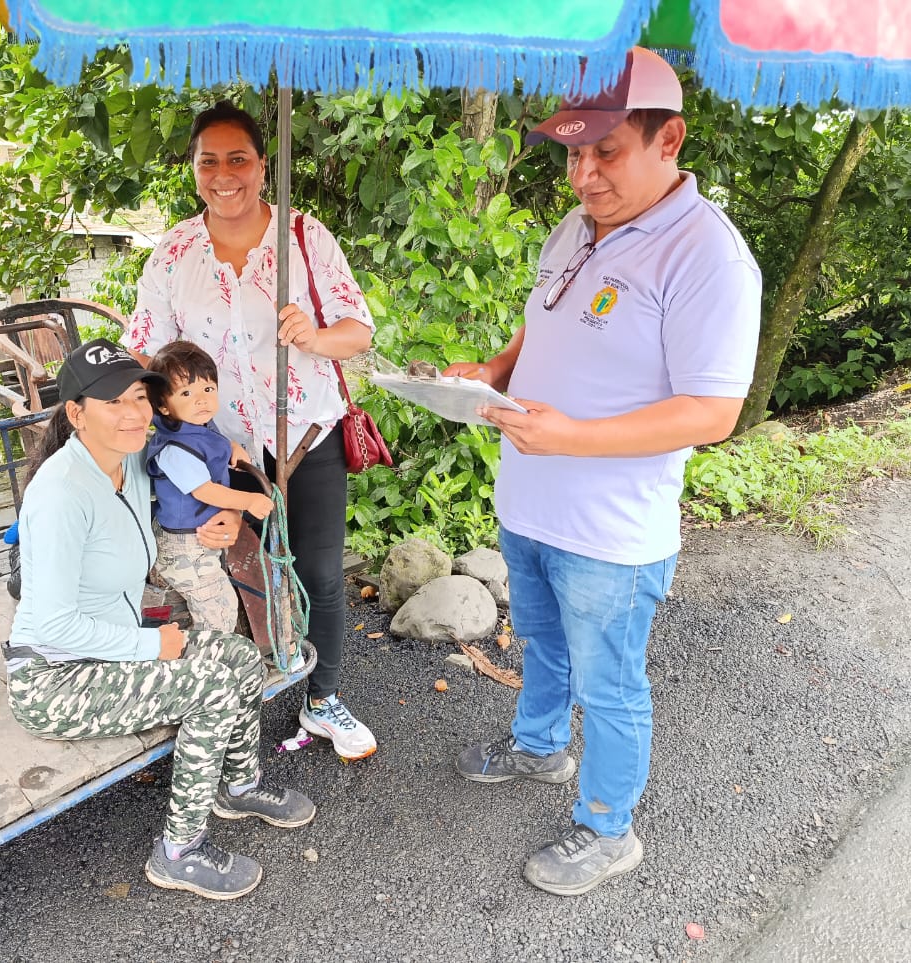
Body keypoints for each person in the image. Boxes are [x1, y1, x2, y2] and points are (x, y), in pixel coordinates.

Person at [446, 48, 762, 896]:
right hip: (531, 503)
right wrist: (495, 369)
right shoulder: (579, 224)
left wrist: (574, 436)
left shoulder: (708, 257)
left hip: (611, 531)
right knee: (541, 643)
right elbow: (544, 319)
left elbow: (712, 411)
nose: (583, 175)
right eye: (574, 154)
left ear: (671, 141)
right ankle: (539, 745)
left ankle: (608, 825)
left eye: (607, 152)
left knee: (611, 684)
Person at [5, 338, 315, 901]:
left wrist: (224, 518)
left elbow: (186, 494)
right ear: (76, 413)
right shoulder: (60, 494)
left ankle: (238, 786)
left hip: (113, 650)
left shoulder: (130, 463)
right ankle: (179, 851)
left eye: (140, 398)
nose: (133, 413)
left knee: (241, 657)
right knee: (212, 686)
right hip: (55, 678)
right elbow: (52, 626)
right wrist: (152, 647)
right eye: (113, 402)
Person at [131, 100, 378, 761]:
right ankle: (241, 696)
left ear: (263, 166)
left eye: (237, 158)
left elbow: (359, 330)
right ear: (193, 169)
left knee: (320, 572)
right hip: (220, 451)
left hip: (306, 438)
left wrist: (315, 336)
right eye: (208, 161)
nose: (223, 174)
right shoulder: (175, 252)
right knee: (241, 568)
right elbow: (147, 351)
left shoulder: (304, 237)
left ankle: (322, 699)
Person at [146, 339, 274, 633]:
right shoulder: (175, 448)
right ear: (163, 405)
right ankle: (209, 653)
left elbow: (212, 441)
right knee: (219, 609)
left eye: (208, 389)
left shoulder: (196, 423)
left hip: (198, 536)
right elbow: (204, 490)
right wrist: (248, 501)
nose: (201, 400)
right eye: (186, 393)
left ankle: (191, 641)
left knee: (207, 598)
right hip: (186, 544)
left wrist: (231, 447)